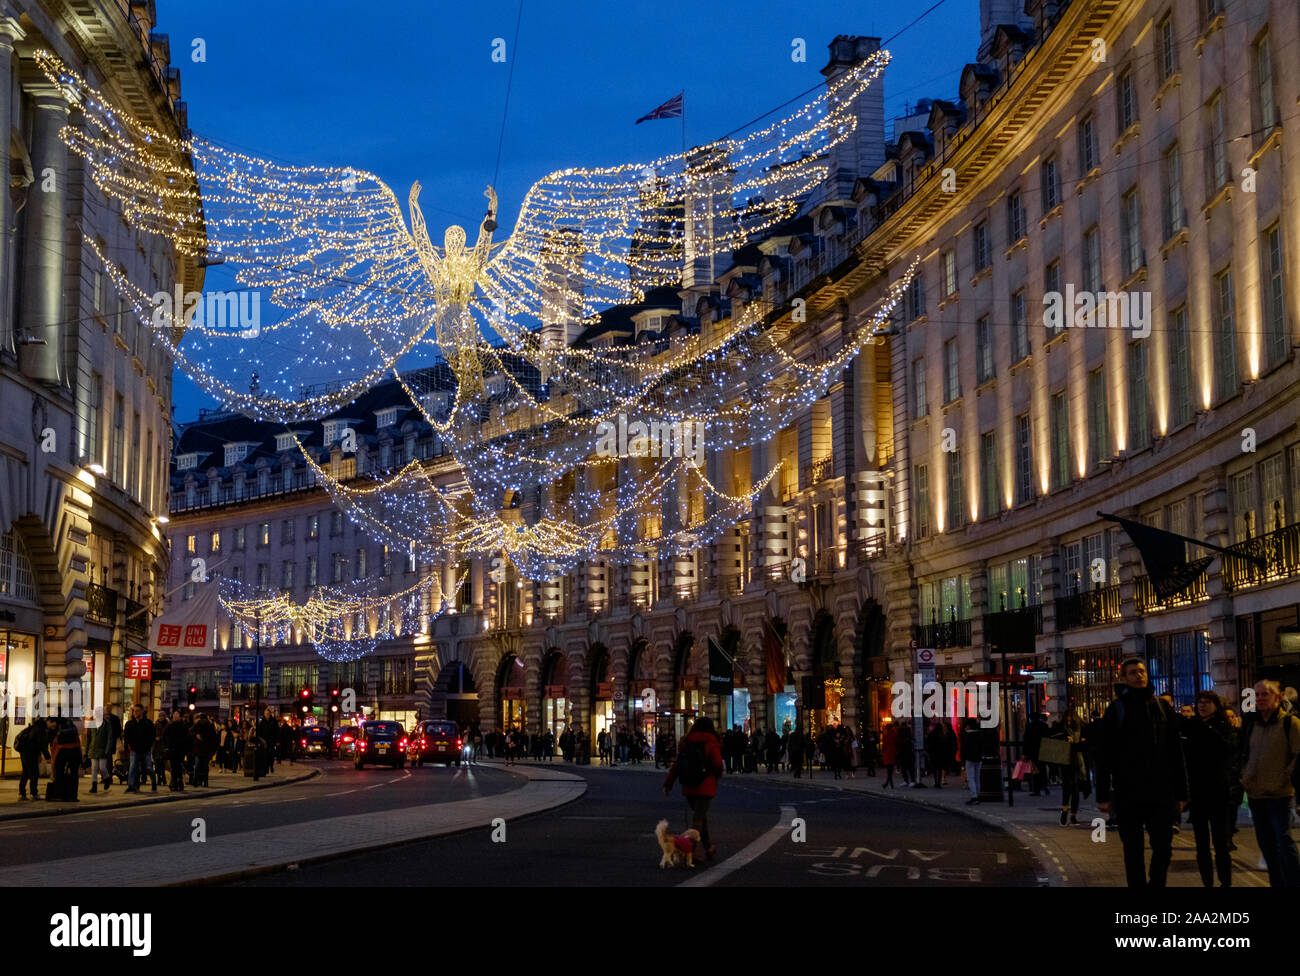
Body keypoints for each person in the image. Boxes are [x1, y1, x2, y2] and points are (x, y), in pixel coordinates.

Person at [1094, 658, 1188, 888]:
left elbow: (1176, 753)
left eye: (1142, 671)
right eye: (1133, 672)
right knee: (1133, 850)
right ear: (1125, 678)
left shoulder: (1162, 707)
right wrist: (1103, 795)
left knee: (1164, 848)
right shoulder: (1116, 710)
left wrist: (1181, 792)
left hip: (1161, 791)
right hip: (1128, 792)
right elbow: (1104, 755)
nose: (1139, 676)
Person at [1238, 679, 1300, 887]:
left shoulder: (1291, 723)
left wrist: (1284, 778)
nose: (1260, 698)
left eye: (1266, 694)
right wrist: (1244, 777)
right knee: (1267, 845)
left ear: (1279, 696)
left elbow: (1297, 756)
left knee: (1284, 842)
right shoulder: (1250, 723)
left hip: (1279, 794)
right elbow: (1243, 753)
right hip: (1256, 795)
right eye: (1257, 694)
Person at [1184, 690, 1237, 887]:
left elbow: (1229, 750)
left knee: (1221, 844)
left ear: (1216, 705)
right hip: (1198, 792)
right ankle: (1207, 882)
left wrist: (1207, 730)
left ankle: (1225, 882)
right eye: (1200, 702)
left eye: (1207, 702)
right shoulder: (1193, 726)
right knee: (1202, 845)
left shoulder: (1224, 727)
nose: (1202, 705)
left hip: (1218, 791)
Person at [663, 716, 725, 863]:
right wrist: (716, 775)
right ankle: (691, 849)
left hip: (689, 785)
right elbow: (717, 764)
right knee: (698, 818)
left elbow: (677, 765)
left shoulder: (686, 741)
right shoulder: (710, 742)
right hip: (705, 785)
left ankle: (708, 847)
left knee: (701, 817)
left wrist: (668, 784)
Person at [1055, 713, 1085, 826]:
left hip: (1078, 763)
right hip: (1066, 762)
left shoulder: (1081, 730)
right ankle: (1065, 810)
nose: (1069, 722)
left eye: (1070, 720)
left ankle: (1073, 814)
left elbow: (1085, 746)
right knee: (1067, 787)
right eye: (1067, 720)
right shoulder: (1061, 731)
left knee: (1075, 789)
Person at [14, 716, 51, 800]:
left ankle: (22, 793)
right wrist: (47, 757)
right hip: (31, 754)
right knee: (34, 774)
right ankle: (34, 793)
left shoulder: (31, 728)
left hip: (24, 753)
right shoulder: (40, 730)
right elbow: (41, 745)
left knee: (26, 773)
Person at [86, 706, 120, 794]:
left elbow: (110, 737)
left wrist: (108, 749)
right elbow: (88, 738)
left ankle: (107, 778)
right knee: (94, 768)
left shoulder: (107, 724)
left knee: (102, 768)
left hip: (103, 749)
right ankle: (94, 785)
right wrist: (87, 750)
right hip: (93, 749)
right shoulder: (91, 724)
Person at [123, 704, 156, 793]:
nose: (135, 712)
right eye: (134, 711)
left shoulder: (148, 723)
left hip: (145, 750)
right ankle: (131, 785)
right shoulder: (129, 724)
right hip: (134, 749)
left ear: (142, 711)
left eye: (137, 710)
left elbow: (152, 735)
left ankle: (154, 782)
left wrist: (149, 745)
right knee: (133, 767)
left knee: (149, 768)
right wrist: (126, 747)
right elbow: (126, 736)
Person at [1023, 712, 1049, 796]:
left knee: (1035, 771)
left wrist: (1025, 753)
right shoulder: (1044, 726)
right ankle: (1045, 787)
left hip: (1033, 751)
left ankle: (1037, 789)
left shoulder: (1029, 726)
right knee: (1043, 770)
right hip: (1043, 750)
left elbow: (1026, 740)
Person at [163, 710, 189, 792]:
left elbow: (186, 738)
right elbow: (165, 736)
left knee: (178, 766)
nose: (175, 716)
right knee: (174, 767)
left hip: (180, 750)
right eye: (174, 714)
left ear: (180, 716)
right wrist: (167, 746)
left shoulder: (183, 726)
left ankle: (178, 783)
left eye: (177, 714)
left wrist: (185, 748)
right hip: (172, 749)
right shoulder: (169, 725)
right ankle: (175, 783)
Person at [960, 718, 983, 805]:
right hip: (978, 758)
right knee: (977, 777)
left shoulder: (967, 735)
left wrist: (963, 759)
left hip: (969, 758)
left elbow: (964, 748)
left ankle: (974, 796)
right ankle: (978, 794)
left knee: (971, 778)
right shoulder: (980, 734)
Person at [191, 713, 217, 787]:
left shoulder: (197, 725)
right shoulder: (210, 725)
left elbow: (190, 732)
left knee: (197, 766)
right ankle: (204, 781)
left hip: (198, 749)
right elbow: (214, 739)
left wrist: (196, 735)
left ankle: (197, 781)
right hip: (206, 749)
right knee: (205, 767)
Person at [881, 722, 898, 788]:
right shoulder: (894, 734)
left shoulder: (886, 735)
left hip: (888, 753)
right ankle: (889, 784)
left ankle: (888, 783)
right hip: (891, 753)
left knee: (889, 770)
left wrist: (883, 752)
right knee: (890, 770)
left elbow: (884, 745)